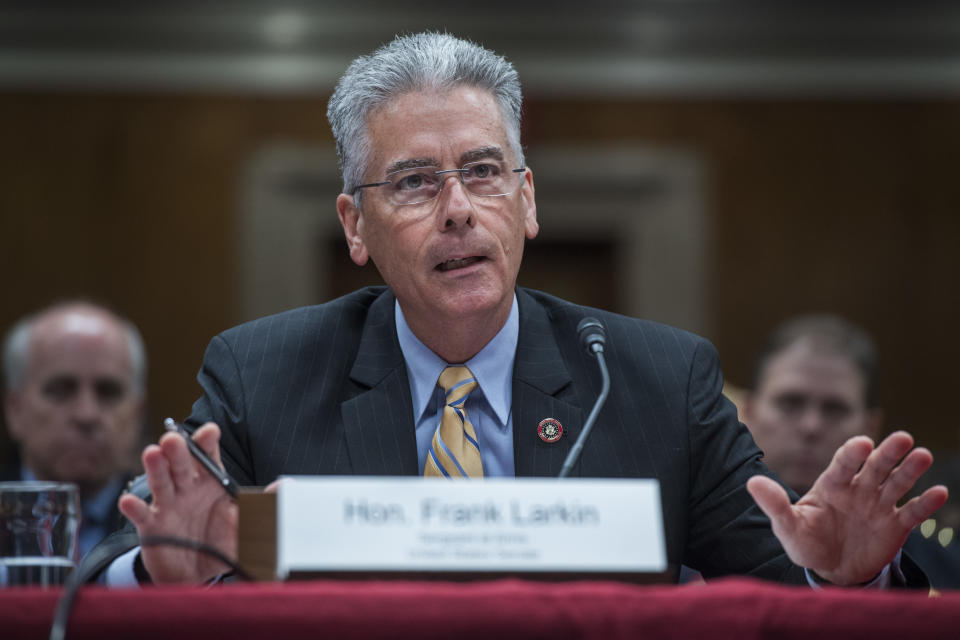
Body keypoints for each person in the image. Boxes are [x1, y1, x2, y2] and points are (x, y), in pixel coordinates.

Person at [109, 32, 946, 587]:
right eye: (412, 182)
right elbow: (137, 561)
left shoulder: (657, 379)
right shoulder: (262, 375)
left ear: (528, 201)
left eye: (483, 171)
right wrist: (161, 571)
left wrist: (841, 578)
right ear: (354, 226)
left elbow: (777, 587)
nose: (459, 209)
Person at [742, 314, 960, 588]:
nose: (811, 426)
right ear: (748, 413)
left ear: (871, 426)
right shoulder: (696, 544)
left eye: (835, 408)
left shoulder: (942, 570)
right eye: (790, 402)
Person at [2, 301, 146, 558]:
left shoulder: (167, 532)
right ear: (15, 410)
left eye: (108, 392)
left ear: (136, 414)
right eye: (61, 390)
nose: (86, 414)